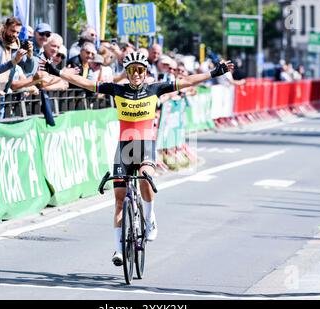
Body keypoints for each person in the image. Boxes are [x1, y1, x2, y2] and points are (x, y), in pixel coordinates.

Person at [49, 52, 234, 266]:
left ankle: (150, 218)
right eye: (131, 70)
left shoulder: (155, 88)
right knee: (119, 199)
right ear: (127, 73)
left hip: (145, 144)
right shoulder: (117, 90)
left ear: (145, 72)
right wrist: (58, 72)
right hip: (124, 148)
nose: (136, 74)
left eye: (139, 70)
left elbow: (187, 81)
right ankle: (119, 251)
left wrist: (213, 73)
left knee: (145, 177)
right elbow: (86, 83)